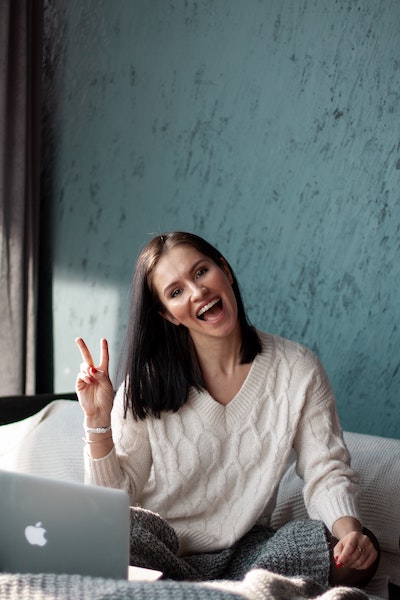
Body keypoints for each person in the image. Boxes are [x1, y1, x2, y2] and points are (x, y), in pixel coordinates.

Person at [75, 231, 379, 589]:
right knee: (100, 535)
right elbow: (113, 503)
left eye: (201, 272)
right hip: (160, 546)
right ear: (168, 315)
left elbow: (325, 469)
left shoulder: (299, 369)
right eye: (176, 292)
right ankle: (201, 591)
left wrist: (349, 533)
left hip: (246, 552)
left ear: (225, 270)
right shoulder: (146, 383)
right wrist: (97, 422)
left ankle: (193, 592)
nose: (197, 291)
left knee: (360, 555)